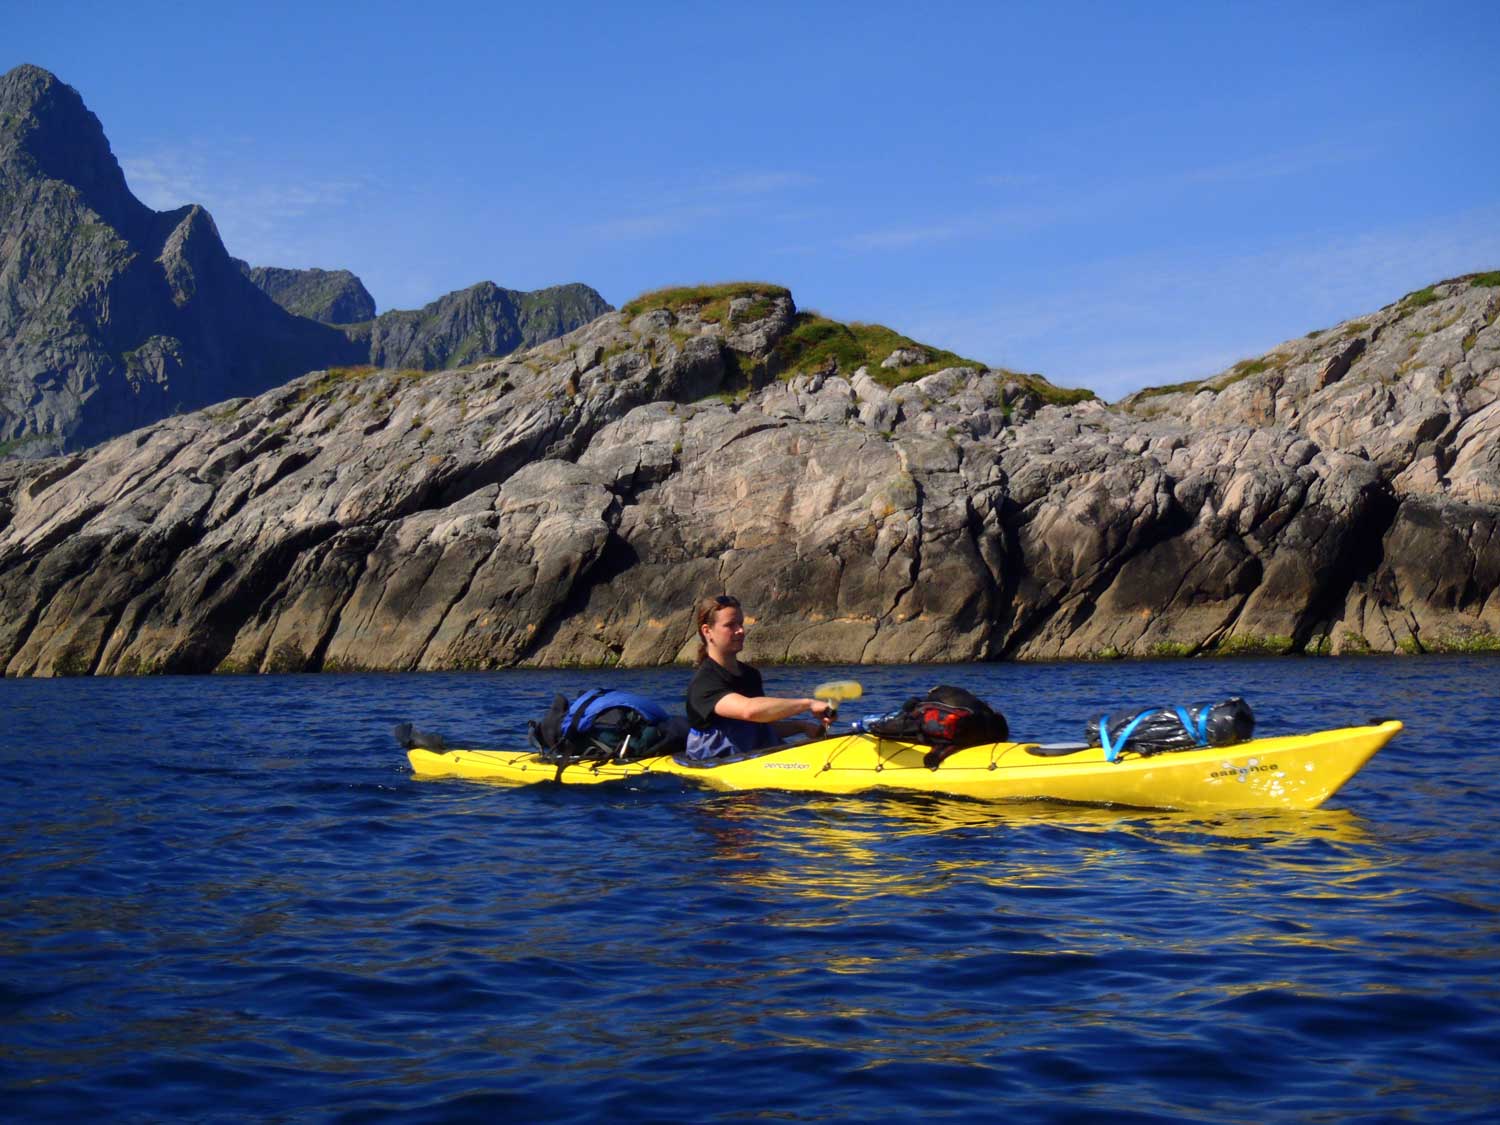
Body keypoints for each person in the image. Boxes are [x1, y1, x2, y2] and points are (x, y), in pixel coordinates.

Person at [684, 594, 833, 760]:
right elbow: (750, 711)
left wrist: (802, 726)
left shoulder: (750, 675)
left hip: (753, 756)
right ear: (707, 631)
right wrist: (808, 704)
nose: (740, 631)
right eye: (730, 625)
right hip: (717, 765)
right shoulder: (704, 682)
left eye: (740, 624)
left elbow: (760, 724)